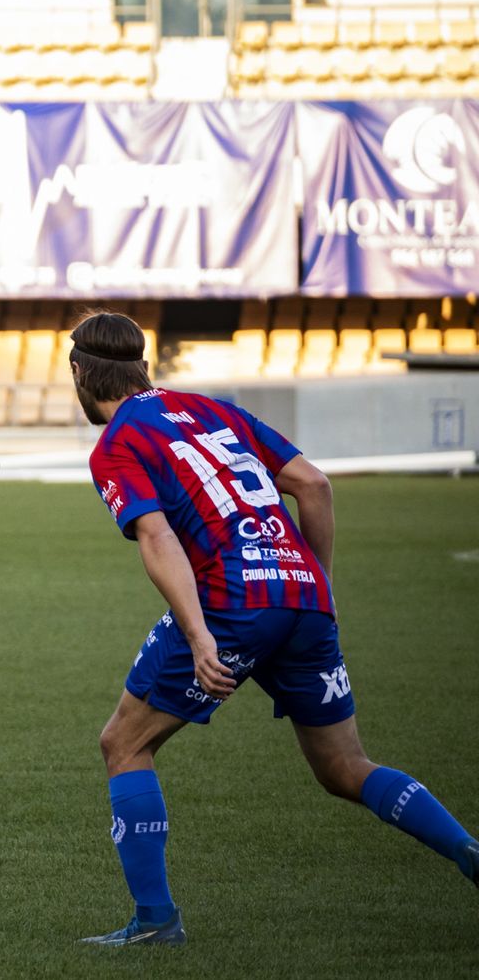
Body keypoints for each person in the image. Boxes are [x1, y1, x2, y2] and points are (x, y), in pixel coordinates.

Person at [67, 310, 478, 947]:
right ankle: (468, 851)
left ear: (79, 374)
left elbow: (157, 536)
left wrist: (202, 637)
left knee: (124, 743)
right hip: (303, 593)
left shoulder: (117, 442)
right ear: (140, 365)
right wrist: (321, 588)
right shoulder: (214, 409)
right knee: (346, 766)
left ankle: (156, 923)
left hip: (233, 600)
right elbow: (312, 485)